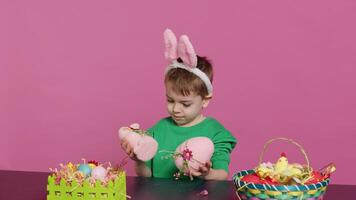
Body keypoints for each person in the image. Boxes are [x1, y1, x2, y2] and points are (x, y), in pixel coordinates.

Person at [121, 29, 236, 180]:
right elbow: (146, 176)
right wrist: (139, 161)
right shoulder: (158, 130)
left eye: (185, 104)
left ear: (206, 100)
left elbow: (222, 174)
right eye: (170, 100)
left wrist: (208, 173)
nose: (175, 109)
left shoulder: (216, 133)